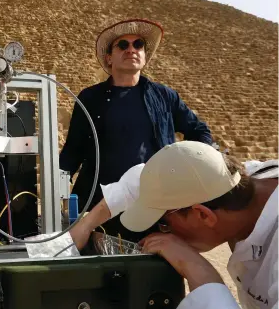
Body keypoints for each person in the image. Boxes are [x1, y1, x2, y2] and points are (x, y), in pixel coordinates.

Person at [69, 141, 277, 309]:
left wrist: (197, 268)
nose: (162, 232)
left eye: (164, 224)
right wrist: (86, 225)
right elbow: (146, 178)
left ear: (203, 215)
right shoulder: (234, 180)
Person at [59, 18, 213, 241]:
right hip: (100, 207)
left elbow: (199, 131)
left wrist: (193, 167)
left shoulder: (165, 96)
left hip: (154, 207)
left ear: (144, 56)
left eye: (138, 44)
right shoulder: (90, 98)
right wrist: (57, 192)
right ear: (109, 58)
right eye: (122, 45)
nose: (131, 49)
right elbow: (73, 151)